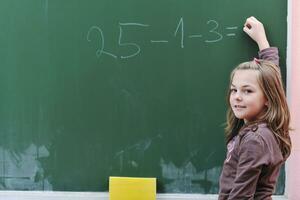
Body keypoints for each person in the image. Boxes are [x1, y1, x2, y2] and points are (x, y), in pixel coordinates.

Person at [218, 16, 292, 200]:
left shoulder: (254, 140)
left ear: (268, 97)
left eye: (247, 91)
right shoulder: (270, 127)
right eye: (234, 89)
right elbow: (271, 80)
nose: (237, 96)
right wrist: (262, 42)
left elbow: (241, 197)